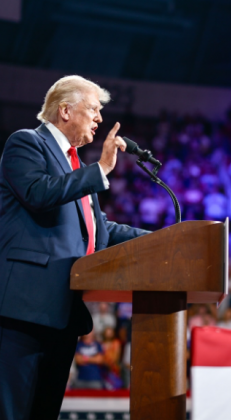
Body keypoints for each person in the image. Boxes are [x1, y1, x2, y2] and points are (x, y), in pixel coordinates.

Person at [0, 75, 149, 419]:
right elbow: (38, 193)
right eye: (94, 109)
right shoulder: (26, 143)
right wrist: (101, 169)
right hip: (24, 312)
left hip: (62, 315)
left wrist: (160, 238)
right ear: (65, 110)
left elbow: (100, 231)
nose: (99, 118)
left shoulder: (77, 167)